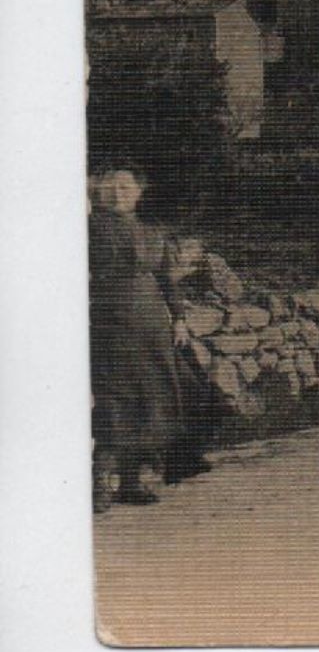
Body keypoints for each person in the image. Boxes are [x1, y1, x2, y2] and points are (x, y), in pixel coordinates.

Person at [88, 171, 203, 512]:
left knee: (149, 397)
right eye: (109, 187)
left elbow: (168, 279)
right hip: (108, 321)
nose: (116, 193)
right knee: (113, 398)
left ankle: (131, 481)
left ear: (139, 192)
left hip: (151, 324)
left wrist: (179, 318)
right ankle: (98, 484)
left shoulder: (152, 231)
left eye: (124, 187)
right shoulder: (87, 228)